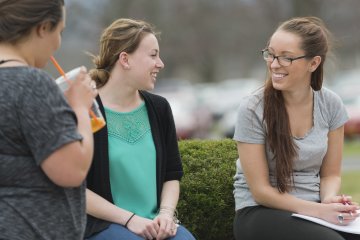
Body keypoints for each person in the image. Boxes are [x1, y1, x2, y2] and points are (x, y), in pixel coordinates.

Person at [233, 16, 360, 240]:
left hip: (314, 209)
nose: (274, 64)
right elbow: (260, 191)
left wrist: (330, 200)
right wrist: (321, 211)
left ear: (314, 63)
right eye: (270, 54)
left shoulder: (331, 105)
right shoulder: (252, 108)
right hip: (261, 212)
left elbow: (330, 174)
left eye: (286, 58)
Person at [84, 18, 196, 240]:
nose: (160, 63)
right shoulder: (86, 109)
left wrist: (165, 215)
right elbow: (76, 188)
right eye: (153, 55)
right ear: (125, 59)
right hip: (104, 226)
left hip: (155, 223)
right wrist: (130, 220)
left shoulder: (160, 108)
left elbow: (171, 175)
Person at [0, 0, 97, 239]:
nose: (58, 42)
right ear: (43, 28)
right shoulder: (31, 84)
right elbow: (73, 170)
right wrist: (80, 107)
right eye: (60, 31)